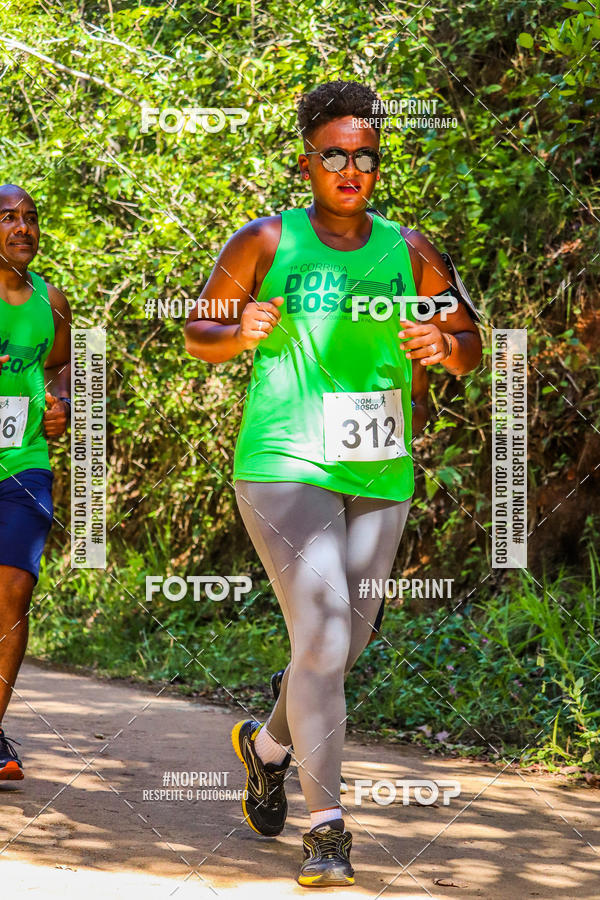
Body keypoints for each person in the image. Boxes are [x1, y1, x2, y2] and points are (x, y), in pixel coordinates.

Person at [184, 80, 482, 887]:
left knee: (347, 642)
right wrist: (235, 329)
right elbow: (197, 328)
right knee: (321, 640)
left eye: (366, 156)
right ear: (308, 160)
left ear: (377, 165)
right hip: (284, 463)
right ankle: (328, 832)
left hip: (381, 466)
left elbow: (467, 343)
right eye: (335, 155)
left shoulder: (411, 250)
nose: (351, 168)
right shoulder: (267, 242)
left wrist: (441, 343)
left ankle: (267, 746)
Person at [0, 184, 72, 780]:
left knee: (15, 590)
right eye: (7, 218)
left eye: (30, 218)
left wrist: (64, 404)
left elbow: (65, 367)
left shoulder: (52, 299)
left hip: (25, 464)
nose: (22, 227)